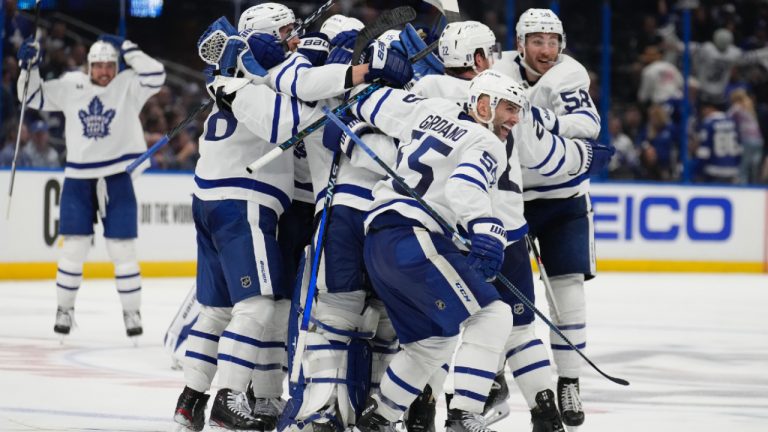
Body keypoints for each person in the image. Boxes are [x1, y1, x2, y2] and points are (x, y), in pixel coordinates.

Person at [172, 7, 413, 431]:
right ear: (262, 38)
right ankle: (229, 399)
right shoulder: (262, 78)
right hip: (245, 200)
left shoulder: (244, 73)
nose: (294, 39)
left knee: (224, 309)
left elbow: (285, 84)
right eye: (285, 32)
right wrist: (354, 78)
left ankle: (193, 402)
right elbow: (295, 119)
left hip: (213, 197)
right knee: (260, 304)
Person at [341, 70, 527, 432]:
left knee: (433, 343)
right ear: (484, 104)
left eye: (518, 110)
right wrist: (485, 226)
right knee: (493, 315)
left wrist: (352, 132)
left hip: (379, 242)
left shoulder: (430, 109)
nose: (515, 118)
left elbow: (367, 102)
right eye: (508, 107)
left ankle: (379, 419)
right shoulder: (486, 143)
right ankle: (464, 415)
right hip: (415, 237)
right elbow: (463, 185)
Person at [492, 8, 603, 429]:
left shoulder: (569, 75)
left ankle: (569, 380)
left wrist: (539, 119)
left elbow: (588, 126)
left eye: (553, 40)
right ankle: (492, 372)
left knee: (568, 288)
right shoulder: (496, 66)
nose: (547, 49)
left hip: (563, 199)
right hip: (509, 199)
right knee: (502, 297)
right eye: (537, 40)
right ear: (519, 44)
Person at [16, 33, 166, 339]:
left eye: (110, 65)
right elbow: (30, 97)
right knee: (74, 248)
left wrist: (129, 46)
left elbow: (156, 74)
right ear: (89, 66)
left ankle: (131, 311)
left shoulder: (128, 84)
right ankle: (64, 310)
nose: (105, 71)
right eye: (99, 65)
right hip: (79, 177)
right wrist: (28, 67)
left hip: (117, 176)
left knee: (122, 249)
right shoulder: (72, 85)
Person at [693, 101, 741, 183]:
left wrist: (697, 171)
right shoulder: (732, 121)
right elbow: (739, 148)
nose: (703, 113)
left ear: (710, 108)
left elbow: (704, 152)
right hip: (732, 169)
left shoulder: (709, 123)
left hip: (714, 169)